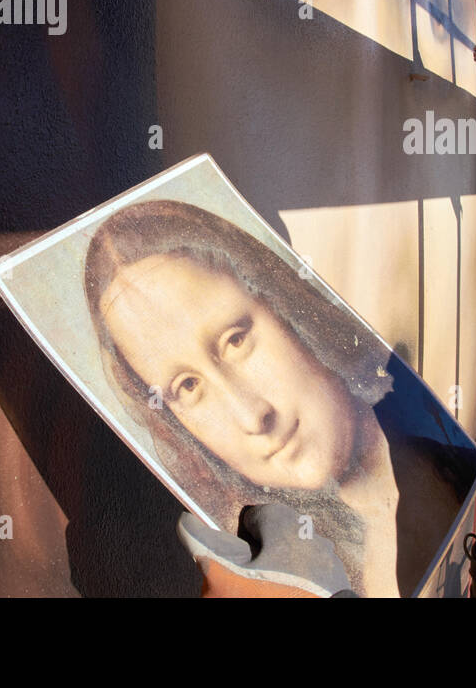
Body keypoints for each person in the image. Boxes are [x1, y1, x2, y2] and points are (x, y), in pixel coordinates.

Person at [85, 199, 404, 596]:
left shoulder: (429, 438)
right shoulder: (246, 571)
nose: (252, 415)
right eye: (187, 386)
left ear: (287, 306)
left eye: (236, 340)